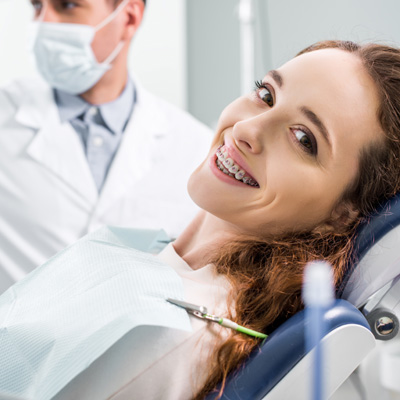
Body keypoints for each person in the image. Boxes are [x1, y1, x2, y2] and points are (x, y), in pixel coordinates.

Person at [1, 40, 400, 400]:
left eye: (303, 139)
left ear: (342, 213)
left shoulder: (166, 336)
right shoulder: (152, 255)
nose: (246, 128)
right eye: (266, 94)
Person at [0, 0, 212, 293]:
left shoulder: (195, 148)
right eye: (37, 6)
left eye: (67, 5)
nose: (42, 22)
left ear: (128, 17)